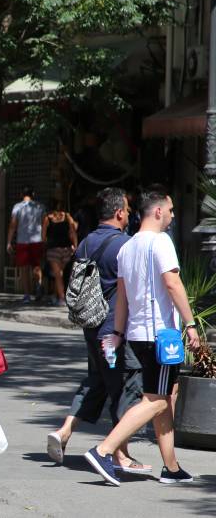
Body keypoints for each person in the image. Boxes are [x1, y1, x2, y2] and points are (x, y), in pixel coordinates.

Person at [84, 189, 199, 486]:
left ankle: (171, 467)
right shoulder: (161, 242)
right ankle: (104, 450)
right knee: (157, 400)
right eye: (171, 210)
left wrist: (120, 333)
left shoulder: (128, 247)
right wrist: (190, 323)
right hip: (161, 334)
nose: (173, 216)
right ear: (158, 212)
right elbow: (172, 283)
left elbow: (121, 298)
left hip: (138, 335)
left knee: (163, 395)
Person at [46, 188, 148, 473]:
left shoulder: (86, 243)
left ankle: (65, 431)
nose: (129, 214)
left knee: (98, 380)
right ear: (118, 212)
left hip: (91, 326)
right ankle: (118, 453)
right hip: (114, 331)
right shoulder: (125, 245)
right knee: (128, 383)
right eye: (127, 210)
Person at [7, 187, 45, 303]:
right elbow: (44, 224)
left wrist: (9, 241)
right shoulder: (40, 207)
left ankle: (27, 295)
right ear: (33, 194)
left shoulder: (17, 207)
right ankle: (38, 285)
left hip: (22, 241)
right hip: (37, 240)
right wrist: (44, 239)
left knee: (24, 269)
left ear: (21, 194)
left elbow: (13, 225)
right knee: (36, 265)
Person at [42, 200, 78, 306]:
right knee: (61, 274)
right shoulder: (67, 217)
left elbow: (43, 236)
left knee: (58, 275)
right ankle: (58, 295)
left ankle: (61, 298)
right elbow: (72, 231)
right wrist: (75, 245)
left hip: (53, 250)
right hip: (66, 249)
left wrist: (46, 245)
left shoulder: (47, 219)